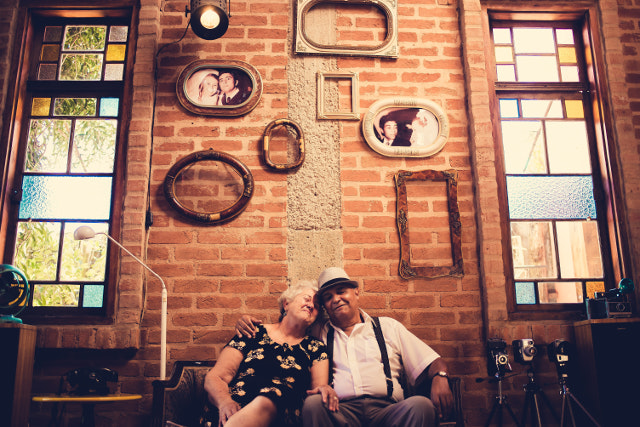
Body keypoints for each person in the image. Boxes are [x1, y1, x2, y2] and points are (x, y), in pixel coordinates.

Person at [236, 267, 454, 427]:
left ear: (356, 292)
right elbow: (285, 331)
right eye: (328, 297)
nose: (336, 299)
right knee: (313, 404)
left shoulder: (387, 327)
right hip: (339, 412)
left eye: (342, 291)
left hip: (388, 411)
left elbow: (433, 361)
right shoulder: (317, 331)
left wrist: (440, 376)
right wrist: (247, 323)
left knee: (421, 406)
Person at [204, 281, 335, 427]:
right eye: (307, 299)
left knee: (273, 395)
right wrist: (225, 402)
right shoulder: (253, 332)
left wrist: (325, 388)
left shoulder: (316, 348)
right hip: (233, 411)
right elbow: (216, 377)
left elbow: (316, 394)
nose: (311, 305)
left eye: (316, 305)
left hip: (282, 416)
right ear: (286, 304)